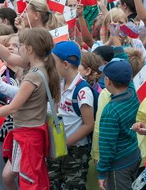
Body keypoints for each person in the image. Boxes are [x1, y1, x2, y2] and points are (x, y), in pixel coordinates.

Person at [0, 27, 60, 189]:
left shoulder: (33, 76)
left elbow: (13, 107)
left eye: (20, 45)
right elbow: (7, 56)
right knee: (9, 177)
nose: (18, 47)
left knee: (29, 180)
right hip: (26, 133)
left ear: (29, 49)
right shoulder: (38, 66)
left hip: (29, 136)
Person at [47, 41, 95, 189]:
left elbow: (89, 125)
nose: (51, 66)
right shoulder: (61, 83)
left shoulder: (82, 90)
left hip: (75, 152)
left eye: (54, 62)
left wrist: (65, 143)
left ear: (65, 64)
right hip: (58, 147)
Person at [97, 58, 141, 190]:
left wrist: (101, 173)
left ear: (108, 81)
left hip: (119, 165)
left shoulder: (110, 111)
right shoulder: (133, 93)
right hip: (133, 154)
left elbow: (107, 147)